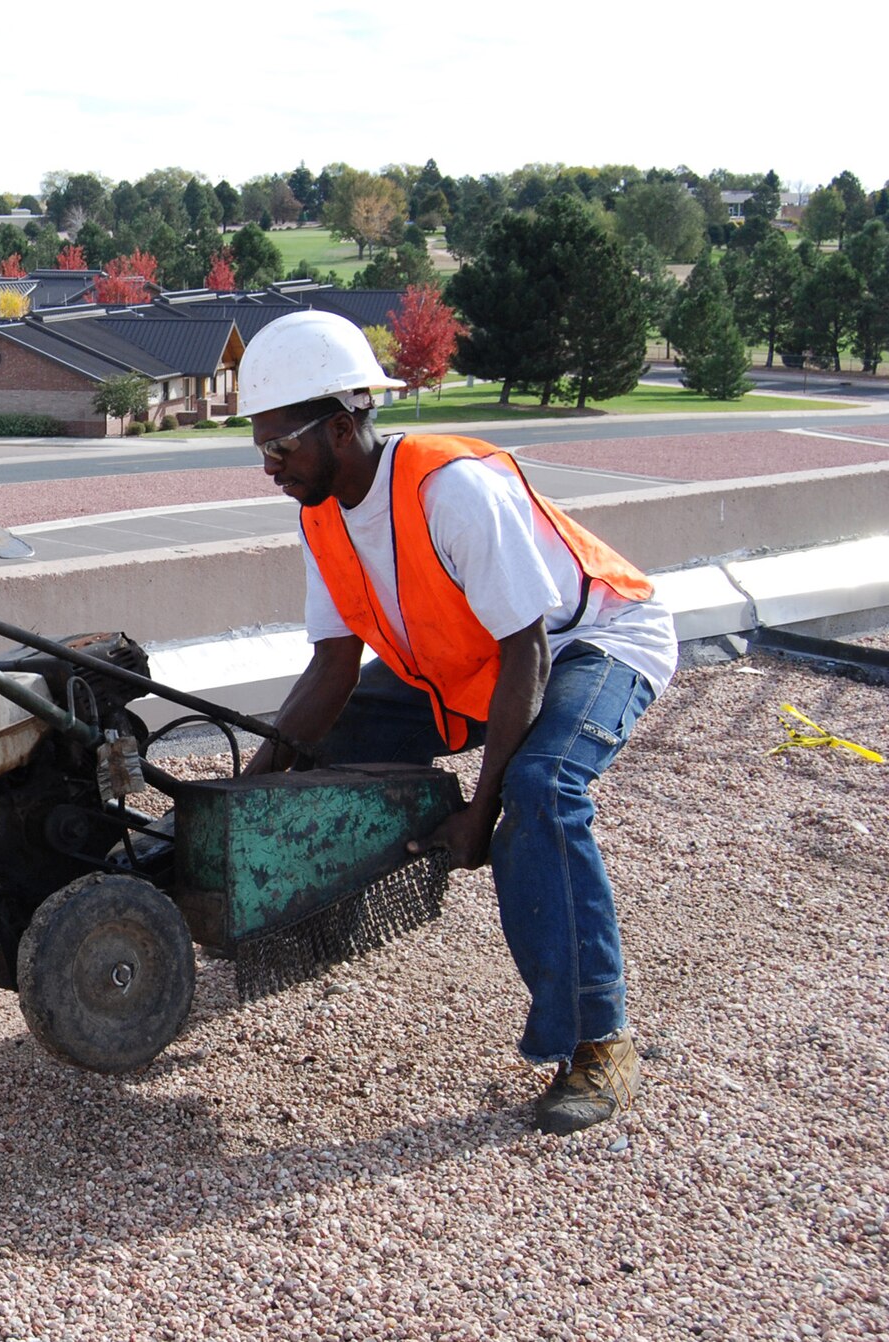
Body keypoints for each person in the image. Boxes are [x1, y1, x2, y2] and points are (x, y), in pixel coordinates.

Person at [236, 311, 677, 1136]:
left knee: (542, 793)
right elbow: (332, 670)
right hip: (469, 672)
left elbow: (528, 654)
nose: (268, 467)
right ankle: (322, 927)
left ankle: (596, 1041)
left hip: (593, 644)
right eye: (259, 448)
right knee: (327, 744)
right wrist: (244, 791)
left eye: (277, 447)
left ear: (340, 425)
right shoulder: (321, 511)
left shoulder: (452, 490)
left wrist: (485, 808)